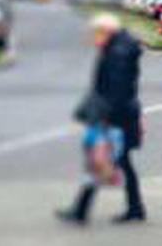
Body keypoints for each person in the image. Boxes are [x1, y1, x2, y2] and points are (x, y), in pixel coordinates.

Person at [57, 13, 146, 225]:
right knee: (119, 162)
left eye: (95, 33)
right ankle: (135, 209)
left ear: (105, 32)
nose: (92, 39)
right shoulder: (119, 48)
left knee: (99, 160)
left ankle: (81, 211)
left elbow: (116, 91)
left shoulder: (118, 54)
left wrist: (105, 120)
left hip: (115, 118)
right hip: (122, 116)